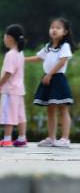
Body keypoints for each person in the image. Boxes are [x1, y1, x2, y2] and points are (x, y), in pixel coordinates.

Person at [26, 18, 75, 147]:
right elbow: (38, 57)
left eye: (58, 28)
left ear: (65, 32)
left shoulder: (65, 46)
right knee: (50, 109)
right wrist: (22, 59)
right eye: (52, 27)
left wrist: (50, 74)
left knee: (63, 108)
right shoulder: (48, 47)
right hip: (48, 78)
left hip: (57, 79)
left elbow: (62, 61)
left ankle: (65, 138)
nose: (54, 30)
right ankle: (51, 138)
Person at [1, 24, 28, 147]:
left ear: (9, 38)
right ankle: (22, 138)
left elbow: (8, 73)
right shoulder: (20, 53)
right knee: (20, 115)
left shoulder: (10, 54)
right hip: (19, 89)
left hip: (10, 90)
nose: (4, 39)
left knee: (9, 114)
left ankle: (7, 139)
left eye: (4, 36)